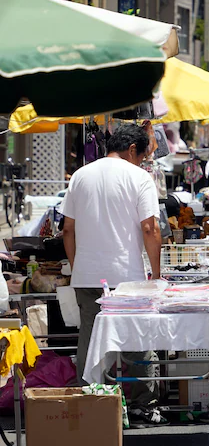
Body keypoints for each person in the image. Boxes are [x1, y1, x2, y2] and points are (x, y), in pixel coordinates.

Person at [62, 123, 162, 413]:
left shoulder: (80, 175)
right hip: (126, 277)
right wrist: (155, 275)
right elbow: (150, 228)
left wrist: (77, 265)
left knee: (91, 340)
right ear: (132, 150)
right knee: (136, 338)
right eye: (143, 156)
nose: (143, 161)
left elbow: (68, 229)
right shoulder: (139, 177)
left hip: (87, 275)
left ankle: (89, 400)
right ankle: (144, 405)